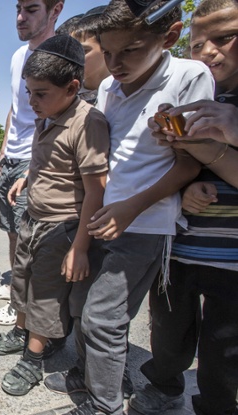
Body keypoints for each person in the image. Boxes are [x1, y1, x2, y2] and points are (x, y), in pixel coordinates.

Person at [42, 1, 214, 414]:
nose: (115, 63)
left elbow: (189, 162)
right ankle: (92, 374)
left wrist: (131, 209)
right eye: (107, 51)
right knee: (81, 307)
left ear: (169, 38)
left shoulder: (190, 78)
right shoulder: (108, 88)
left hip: (144, 225)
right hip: (101, 218)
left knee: (104, 318)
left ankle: (105, 405)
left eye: (130, 51)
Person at [128, 1, 238, 414]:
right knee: (169, 332)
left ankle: (216, 403)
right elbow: (180, 165)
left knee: (224, 350)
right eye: (197, 43)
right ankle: (165, 384)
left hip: (233, 258)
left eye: (224, 38)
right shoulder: (192, 94)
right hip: (183, 245)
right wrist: (185, 186)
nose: (208, 51)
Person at [0, 34, 109, 397]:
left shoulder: (87, 122)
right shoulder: (48, 116)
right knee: (22, 281)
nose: (31, 101)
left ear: (73, 87)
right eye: (28, 92)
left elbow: (96, 189)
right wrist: (27, 178)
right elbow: (51, 161)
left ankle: (32, 358)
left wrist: (79, 246)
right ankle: (22, 331)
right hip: (32, 216)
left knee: (45, 294)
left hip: (61, 227)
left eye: (40, 93)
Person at [0, 0, 68, 359]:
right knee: (15, 237)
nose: (20, 17)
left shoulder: (61, 54)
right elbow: (16, 107)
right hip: (13, 159)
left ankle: (31, 327)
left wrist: (37, 165)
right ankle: (21, 309)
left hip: (38, 162)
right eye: (17, 8)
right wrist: (4, 149)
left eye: (31, 9)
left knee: (35, 251)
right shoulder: (19, 56)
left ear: (56, 10)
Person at [69, 6, 111, 104]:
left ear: (108, 48)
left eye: (83, 51)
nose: (73, 57)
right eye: (71, 51)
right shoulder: (65, 96)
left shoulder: (126, 92)